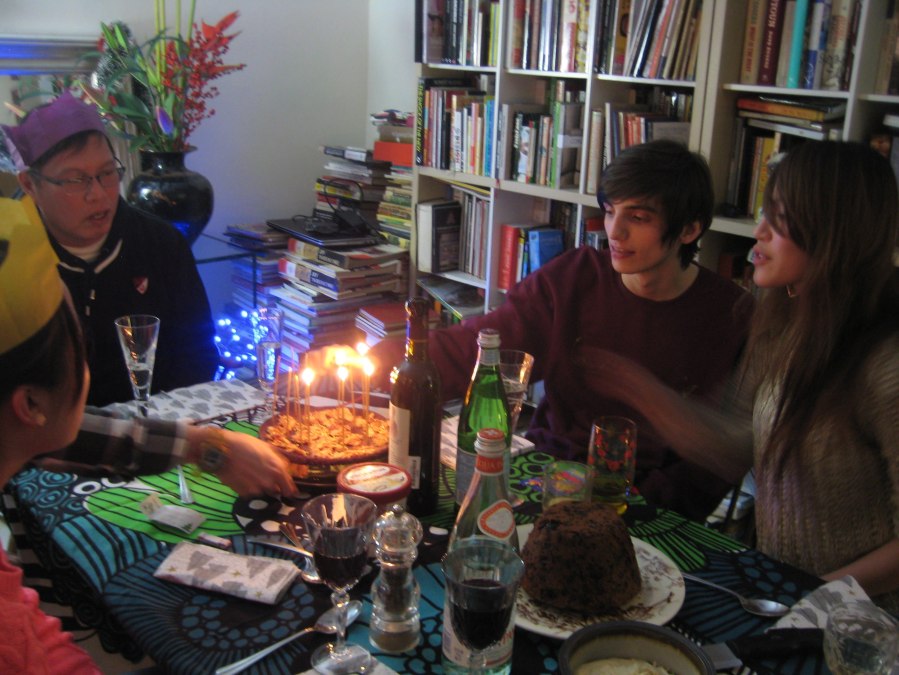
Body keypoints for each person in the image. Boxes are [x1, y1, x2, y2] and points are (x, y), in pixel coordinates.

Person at [576, 141, 899, 611]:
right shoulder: (784, 324)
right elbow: (733, 441)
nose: (759, 231)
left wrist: (813, 595)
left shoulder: (886, 364)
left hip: (861, 620)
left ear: (834, 232)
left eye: (779, 220)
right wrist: (641, 389)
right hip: (783, 587)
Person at [370, 140, 755, 521]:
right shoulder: (575, 277)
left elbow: (716, 462)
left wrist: (645, 507)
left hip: (648, 506)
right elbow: (479, 348)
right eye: (610, 212)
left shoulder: (731, 315)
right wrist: (381, 364)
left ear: (688, 230)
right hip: (547, 474)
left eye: (638, 218)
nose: (615, 231)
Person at [0, 198, 297, 671]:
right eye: (80, 349)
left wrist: (208, 448)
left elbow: (86, 436)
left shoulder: (16, 425)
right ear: (31, 404)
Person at [1, 91, 220, 407]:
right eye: (75, 180)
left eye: (106, 174)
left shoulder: (161, 243)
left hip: (159, 423)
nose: (98, 195)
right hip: (47, 431)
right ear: (29, 185)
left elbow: (198, 355)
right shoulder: (10, 259)